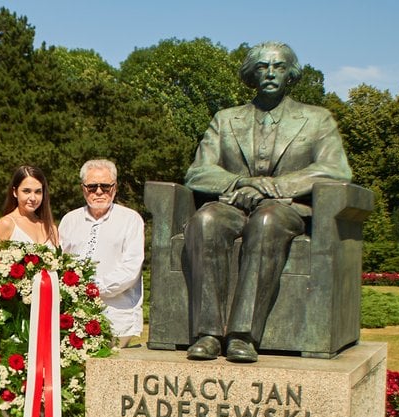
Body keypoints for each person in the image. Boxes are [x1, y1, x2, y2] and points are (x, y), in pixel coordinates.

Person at [182, 41, 352, 363]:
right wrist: (242, 181)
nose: (270, 73)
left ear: (291, 74)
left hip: (285, 209)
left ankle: (242, 335)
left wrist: (273, 186)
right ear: (251, 73)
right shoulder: (226, 119)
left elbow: (335, 169)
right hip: (233, 204)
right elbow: (198, 172)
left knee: (267, 220)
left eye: (279, 67)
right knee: (205, 220)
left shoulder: (317, 119)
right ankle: (208, 333)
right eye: (262, 67)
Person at [0, 165, 59, 417]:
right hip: (17, 320)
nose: (32, 197)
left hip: (47, 321)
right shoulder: (7, 224)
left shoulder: (49, 227)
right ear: (15, 192)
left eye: (38, 191)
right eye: (26, 190)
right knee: (21, 388)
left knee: (42, 387)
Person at [60, 159, 145, 348]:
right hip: (73, 315)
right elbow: (61, 263)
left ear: (114, 188)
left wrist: (93, 288)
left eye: (105, 187)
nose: (99, 192)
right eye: (92, 187)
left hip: (116, 317)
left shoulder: (130, 220)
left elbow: (131, 268)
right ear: (83, 188)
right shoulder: (69, 220)